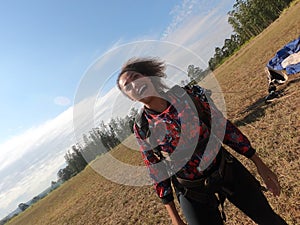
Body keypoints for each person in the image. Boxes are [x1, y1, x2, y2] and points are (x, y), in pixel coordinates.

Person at [117, 57, 288, 225]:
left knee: (269, 219)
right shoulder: (142, 127)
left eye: (136, 77)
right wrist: (175, 218)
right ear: (130, 97)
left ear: (149, 77)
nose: (134, 85)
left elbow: (224, 128)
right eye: (128, 86)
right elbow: (157, 171)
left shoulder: (189, 96)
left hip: (225, 168)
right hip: (191, 190)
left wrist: (258, 162)